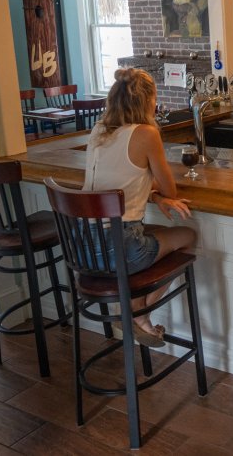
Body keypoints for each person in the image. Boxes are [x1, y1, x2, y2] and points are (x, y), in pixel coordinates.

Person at [84, 68, 195, 348]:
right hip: (119, 249)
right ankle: (139, 312)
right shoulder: (146, 133)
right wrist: (160, 195)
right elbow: (171, 190)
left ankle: (135, 312)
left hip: (83, 247)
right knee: (188, 236)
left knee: (144, 232)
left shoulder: (98, 130)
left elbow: (120, 184)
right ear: (148, 101)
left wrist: (154, 197)